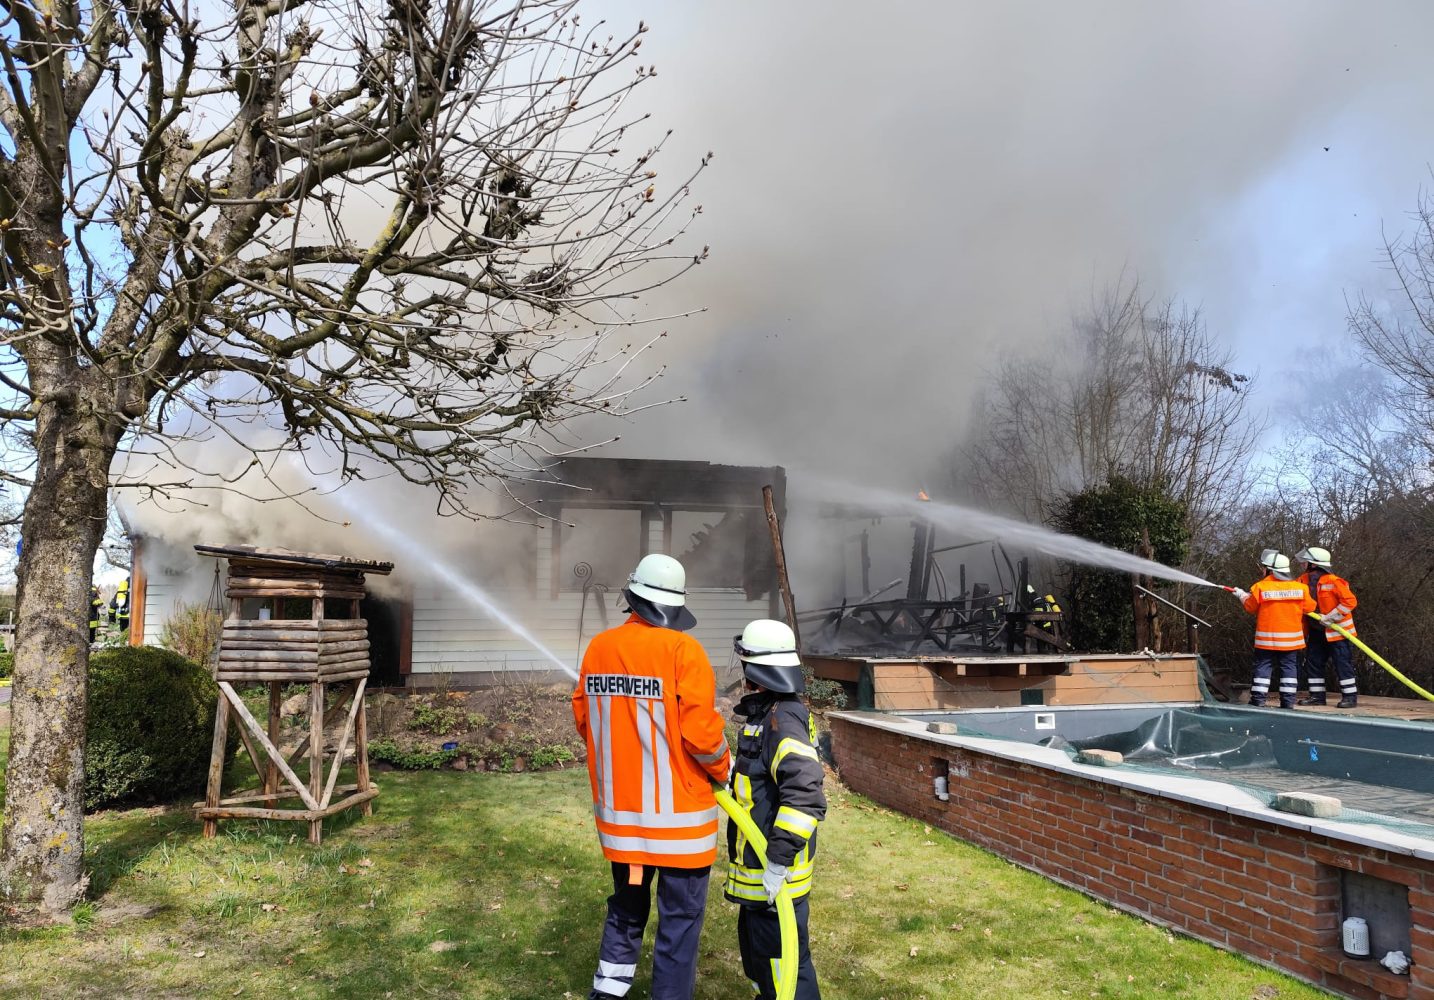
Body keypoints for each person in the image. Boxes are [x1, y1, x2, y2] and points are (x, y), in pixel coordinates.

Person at [572, 553, 731, 1000]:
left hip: (624, 825)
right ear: (673, 608)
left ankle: (607, 993)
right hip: (682, 826)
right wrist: (727, 768)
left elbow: (585, 718)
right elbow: (703, 738)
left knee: (625, 911)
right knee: (678, 925)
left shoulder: (599, 648)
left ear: (633, 598)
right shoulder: (684, 651)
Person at [725, 619, 826, 1000]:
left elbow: (804, 792)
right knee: (762, 968)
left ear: (757, 670)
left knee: (785, 974)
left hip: (776, 879)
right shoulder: (767, 713)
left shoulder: (781, 719)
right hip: (761, 879)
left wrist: (778, 862)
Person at [1232, 551, 1315, 708]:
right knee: (1289, 669)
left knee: (1263, 667)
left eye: (1264, 568)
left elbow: (1250, 607)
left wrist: (1242, 595)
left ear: (1270, 570)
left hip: (1267, 640)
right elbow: (1310, 607)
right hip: (1291, 642)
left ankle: (1258, 700)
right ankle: (1288, 702)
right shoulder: (1301, 588)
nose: (1262, 571)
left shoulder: (1260, 587)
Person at [1295, 546, 1359, 708]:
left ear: (1314, 564)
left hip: (1338, 633)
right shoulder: (1302, 580)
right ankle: (1317, 696)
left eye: (1306, 562)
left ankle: (1350, 697)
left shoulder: (1333, 581)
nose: (1303, 564)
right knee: (1313, 662)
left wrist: (1332, 617)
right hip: (1317, 631)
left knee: (1342, 663)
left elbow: (1350, 601)